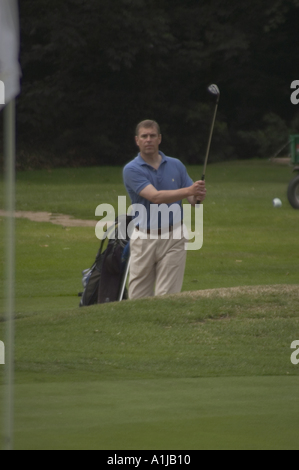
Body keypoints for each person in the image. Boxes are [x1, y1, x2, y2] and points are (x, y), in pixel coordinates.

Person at [123, 120, 206, 299]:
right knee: (138, 298)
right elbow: (155, 197)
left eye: (153, 136)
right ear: (137, 140)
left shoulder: (176, 165)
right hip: (144, 237)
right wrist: (189, 191)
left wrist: (197, 195)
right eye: (144, 136)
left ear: (159, 138)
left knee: (167, 297)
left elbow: (193, 200)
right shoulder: (131, 169)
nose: (148, 140)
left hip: (174, 236)